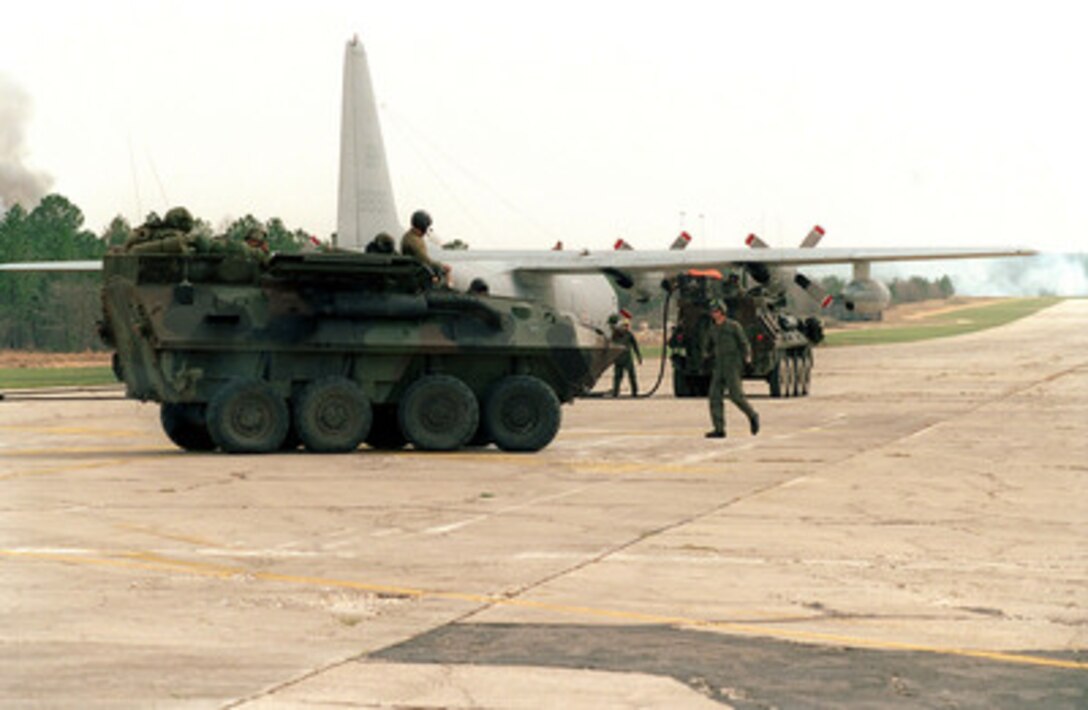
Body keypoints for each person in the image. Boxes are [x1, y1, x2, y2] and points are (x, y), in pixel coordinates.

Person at [704, 300, 759, 438]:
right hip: (719, 366)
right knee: (714, 396)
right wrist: (706, 357)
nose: (714, 314)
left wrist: (747, 358)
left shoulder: (733, 326)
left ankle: (752, 415)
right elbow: (709, 345)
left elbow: (744, 343)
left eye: (716, 311)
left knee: (736, 396)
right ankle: (719, 428)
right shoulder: (713, 328)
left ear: (722, 312)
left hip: (732, 365)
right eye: (712, 312)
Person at [400, 209, 449, 283]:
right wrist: (442, 266)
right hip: (417, 274)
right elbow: (425, 260)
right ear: (423, 227)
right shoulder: (414, 241)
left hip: (415, 271)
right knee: (447, 270)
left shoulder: (409, 236)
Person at [609, 314, 642, 397]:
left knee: (626, 376)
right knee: (619, 376)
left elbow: (635, 345)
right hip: (621, 357)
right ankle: (617, 392)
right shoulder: (618, 334)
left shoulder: (625, 334)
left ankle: (632, 392)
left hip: (624, 357)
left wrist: (638, 356)